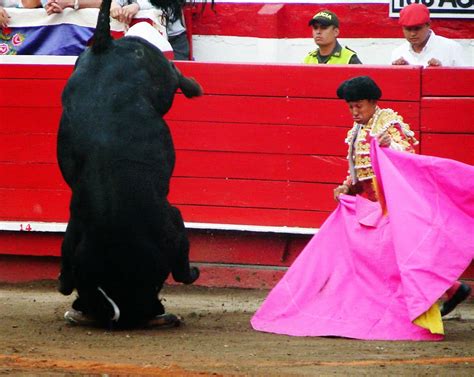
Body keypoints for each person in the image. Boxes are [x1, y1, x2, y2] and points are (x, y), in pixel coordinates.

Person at [251, 76, 473, 341]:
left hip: (396, 205)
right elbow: (359, 171)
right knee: (384, 258)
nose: (355, 112)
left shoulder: (388, 124)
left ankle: (442, 294)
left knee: (399, 256)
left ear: (372, 102)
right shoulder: (356, 131)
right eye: (351, 107)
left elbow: (408, 157)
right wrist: (347, 187)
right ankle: (451, 289)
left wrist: (391, 147)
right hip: (372, 205)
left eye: (359, 106)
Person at [391, 3, 467, 67]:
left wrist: (443, 73)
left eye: (417, 28)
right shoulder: (398, 53)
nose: (413, 34)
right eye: (408, 29)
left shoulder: (451, 48)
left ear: (428, 25)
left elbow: (465, 81)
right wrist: (400, 73)